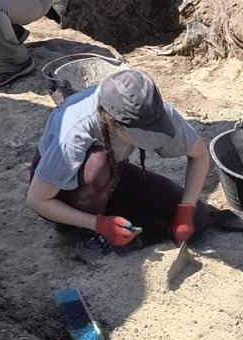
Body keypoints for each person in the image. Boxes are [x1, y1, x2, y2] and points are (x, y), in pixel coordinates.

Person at [27, 69, 211, 248]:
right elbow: (37, 200)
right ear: (113, 123)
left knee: (199, 218)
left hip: (113, 172)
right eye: (142, 134)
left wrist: (186, 209)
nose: (150, 139)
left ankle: (125, 230)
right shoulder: (74, 129)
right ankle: (87, 233)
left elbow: (200, 155)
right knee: (97, 165)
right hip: (61, 190)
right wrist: (99, 224)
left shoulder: (153, 112)